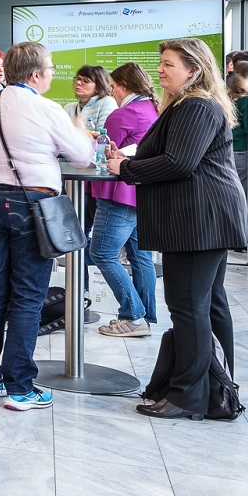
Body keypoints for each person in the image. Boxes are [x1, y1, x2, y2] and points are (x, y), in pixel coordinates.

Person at [107, 38, 248, 420]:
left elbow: (178, 163)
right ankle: (218, 389)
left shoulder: (196, 106)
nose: (160, 70)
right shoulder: (190, 105)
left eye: (168, 64)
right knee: (208, 304)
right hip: (204, 218)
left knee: (188, 307)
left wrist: (127, 169)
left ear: (193, 70)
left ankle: (188, 395)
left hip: (199, 221)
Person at [0, 40, 95, 411]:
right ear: (36, 74)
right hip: (31, 202)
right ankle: (21, 386)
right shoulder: (46, 108)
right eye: (51, 69)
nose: (52, 75)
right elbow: (83, 156)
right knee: (27, 295)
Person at [89, 63, 159, 338]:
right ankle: (145, 316)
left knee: (102, 253)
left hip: (119, 194)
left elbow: (101, 154)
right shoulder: (152, 110)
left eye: (114, 87)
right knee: (141, 257)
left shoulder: (122, 115)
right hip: (143, 193)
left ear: (125, 86)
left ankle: (133, 315)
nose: (112, 93)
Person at [67, 65, 116, 135]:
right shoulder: (68, 108)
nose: (78, 83)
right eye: (78, 79)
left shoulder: (107, 102)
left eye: (86, 81)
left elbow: (103, 136)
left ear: (98, 86)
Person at [227, 64, 248, 193]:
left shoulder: (230, 100)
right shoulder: (246, 101)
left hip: (231, 148)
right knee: (241, 189)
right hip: (242, 149)